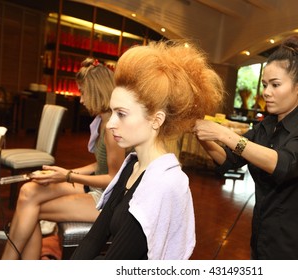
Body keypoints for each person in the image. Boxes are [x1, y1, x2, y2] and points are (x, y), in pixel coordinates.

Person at [70, 40, 224, 260]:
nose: (112, 123)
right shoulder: (132, 165)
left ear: (156, 119)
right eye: (112, 113)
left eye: (121, 114)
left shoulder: (162, 185)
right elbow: (95, 237)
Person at [194, 35, 298, 259]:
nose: (266, 92)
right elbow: (228, 160)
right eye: (265, 85)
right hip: (262, 238)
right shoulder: (265, 126)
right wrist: (203, 134)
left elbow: (283, 164)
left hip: (294, 247)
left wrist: (224, 133)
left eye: (275, 85)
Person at [1, 58, 126, 260]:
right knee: (28, 190)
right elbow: (100, 165)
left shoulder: (113, 129)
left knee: (31, 209)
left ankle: (8, 263)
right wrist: (60, 173)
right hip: (96, 188)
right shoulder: (102, 121)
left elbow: (114, 178)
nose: (82, 100)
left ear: (96, 92)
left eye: (83, 93)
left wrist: (68, 176)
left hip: (107, 200)